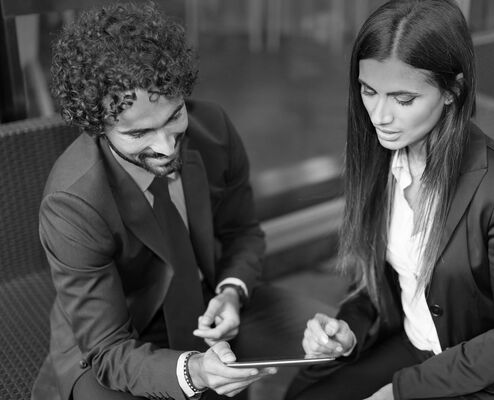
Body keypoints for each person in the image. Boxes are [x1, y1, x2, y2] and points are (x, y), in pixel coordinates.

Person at [31, 2, 326, 400]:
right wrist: (195, 372)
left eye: (173, 117)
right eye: (139, 134)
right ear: (98, 127)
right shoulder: (72, 203)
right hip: (123, 333)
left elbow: (242, 232)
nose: (167, 147)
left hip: (210, 302)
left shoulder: (214, 130)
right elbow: (107, 348)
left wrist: (231, 292)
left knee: (337, 347)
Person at [285, 1, 494, 399]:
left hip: (492, 376)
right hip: (415, 348)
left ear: (453, 91)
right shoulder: (381, 159)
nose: (379, 116)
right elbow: (381, 282)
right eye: (368, 91)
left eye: (402, 99)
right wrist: (348, 332)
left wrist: (400, 392)